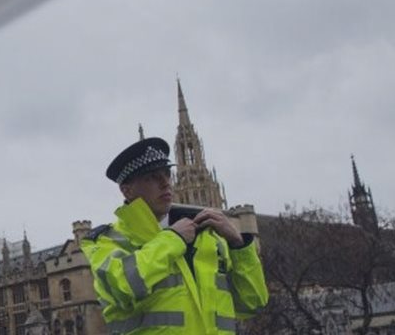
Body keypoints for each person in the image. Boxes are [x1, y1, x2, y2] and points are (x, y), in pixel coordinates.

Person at [81, 137, 268, 334]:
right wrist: (173, 239)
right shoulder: (108, 240)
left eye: (167, 174)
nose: (165, 183)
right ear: (127, 191)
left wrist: (238, 245)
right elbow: (121, 287)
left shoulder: (209, 238)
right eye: (152, 177)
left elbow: (253, 303)